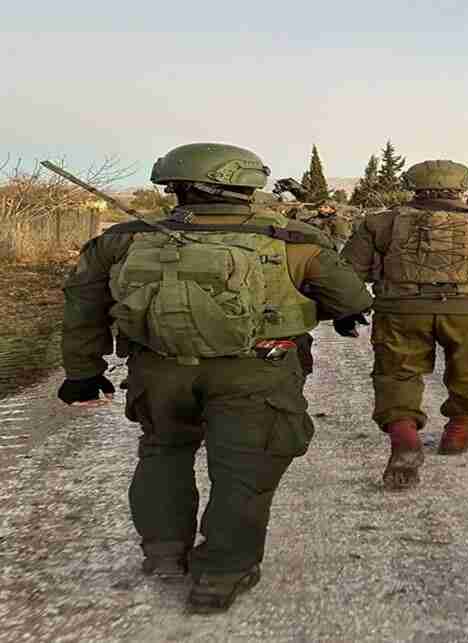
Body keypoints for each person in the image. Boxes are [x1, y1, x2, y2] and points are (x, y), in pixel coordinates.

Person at [57, 143, 373, 613]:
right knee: (244, 469)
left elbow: (83, 306)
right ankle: (222, 573)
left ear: (175, 185)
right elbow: (351, 299)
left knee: (162, 452)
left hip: (158, 371)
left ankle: (164, 553)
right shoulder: (294, 237)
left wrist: (84, 371)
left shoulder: (123, 239)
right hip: (256, 371)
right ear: (248, 185)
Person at [341, 160, 468, 491]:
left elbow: (347, 271)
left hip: (401, 310)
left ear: (412, 187)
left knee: (397, 373)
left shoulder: (381, 222)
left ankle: (405, 438)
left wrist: (347, 309)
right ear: (464, 188)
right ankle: (458, 432)